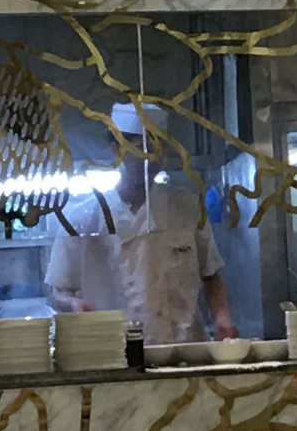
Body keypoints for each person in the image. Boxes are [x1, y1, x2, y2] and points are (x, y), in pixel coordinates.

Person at [49, 101, 234, 342]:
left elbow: (211, 275)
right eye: (139, 149)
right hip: (114, 349)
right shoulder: (81, 219)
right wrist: (74, 304)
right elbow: (58, 292)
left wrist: (222, 315)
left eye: (157, 149)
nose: (150, 159)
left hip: (183, 348)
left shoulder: (187, 208)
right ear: (115, 150)